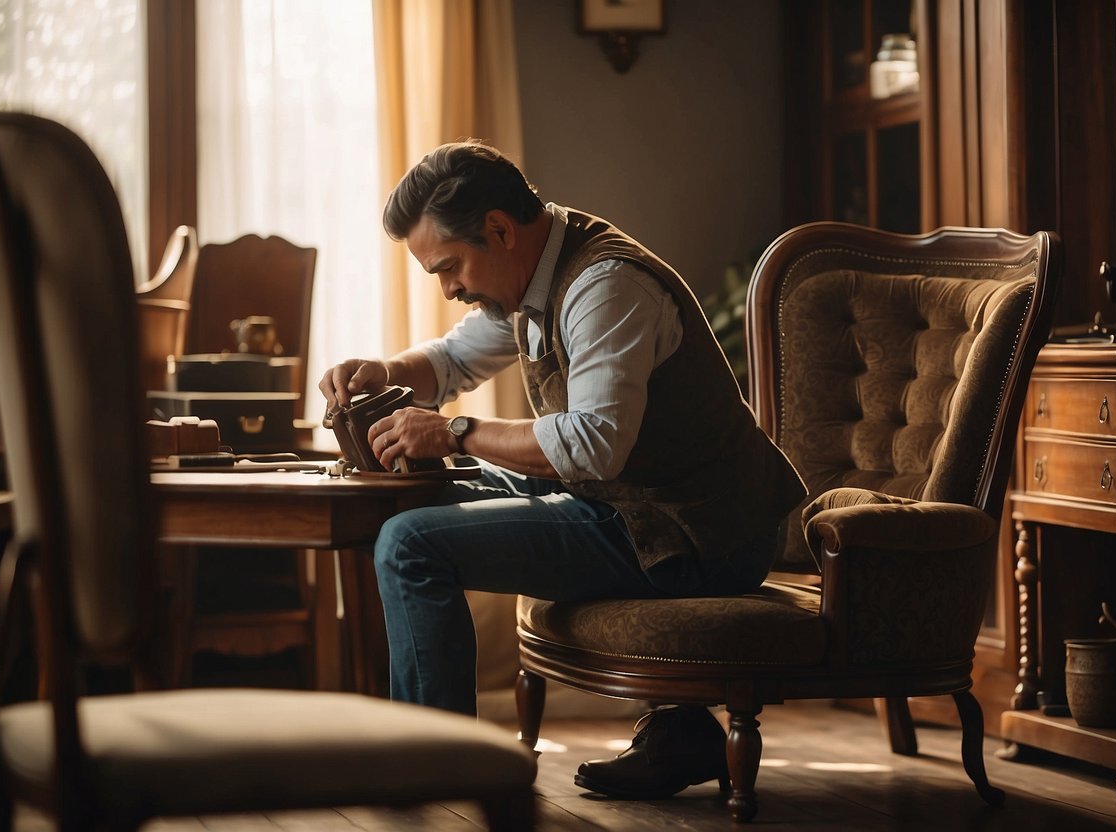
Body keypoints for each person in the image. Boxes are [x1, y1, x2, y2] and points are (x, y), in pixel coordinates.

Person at [319, 141, 806, 800]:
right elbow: (453, 360)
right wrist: (384, 370)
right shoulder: (537, 271)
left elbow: (592, 445)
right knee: (409, 503)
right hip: (622, 507)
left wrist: (455, 432)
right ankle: (680, 732)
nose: (449, 288)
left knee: (412, 544)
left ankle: (436, 763)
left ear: (499, 230)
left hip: (694, 536)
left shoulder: (606, 286)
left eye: (449, 267)